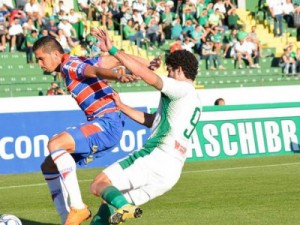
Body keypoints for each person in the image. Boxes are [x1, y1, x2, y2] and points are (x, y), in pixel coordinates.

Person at [32, 35, 156, 225]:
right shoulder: (78, 61)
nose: (39, 64)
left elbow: (95, 71)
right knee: (48, 166)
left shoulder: (69, 65)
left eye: (41, 58)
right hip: (107, 125)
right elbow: (114, 59)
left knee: (55, 143)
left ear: (55, 54)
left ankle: (78, 208)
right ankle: (69, 220)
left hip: (106, 123)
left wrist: (118, 76)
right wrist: (148, 65)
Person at [89, 29, 201, 225]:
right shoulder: (195, 99)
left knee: (99, 184)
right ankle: (122, 208)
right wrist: (122, 106)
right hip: (171, 172)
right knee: (108, 208)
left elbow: (148, 76)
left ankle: (124, 207)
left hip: (156, 156)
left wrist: (113, 50)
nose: (167, 74)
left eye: (170, 70)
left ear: (180, 70)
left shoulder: (179, 88)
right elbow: (154, 121)